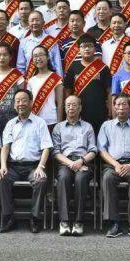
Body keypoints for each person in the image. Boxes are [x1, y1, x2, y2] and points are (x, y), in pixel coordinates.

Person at [0, 90, 53, 233]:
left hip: (33, 166)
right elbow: (5, 147)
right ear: (14, 105)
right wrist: (3, 166)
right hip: (13, 166)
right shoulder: (10, 124)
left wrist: (41, 166)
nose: (20, 104)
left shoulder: (40, 123)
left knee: (41, 180)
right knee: (2, 177)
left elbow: (46, 147)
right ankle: (9, 217)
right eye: (17, 101)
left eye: (24, 100)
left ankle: (34, 218)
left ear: (31, 103)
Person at [98, 94, 130, 238]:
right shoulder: (106, 126)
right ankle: (113, 223)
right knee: (107, 178)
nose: (121, 107)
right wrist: (115, 164)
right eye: (118, 104)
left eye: (124, 104)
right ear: (114, 107)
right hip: (112, 164)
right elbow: (102, 150)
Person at [52, 95, 97, 237]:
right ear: (64, 108)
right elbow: (56, 152)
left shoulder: (87, 127)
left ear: (80, 108)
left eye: (74, 105)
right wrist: (71, 163)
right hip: (65, 163)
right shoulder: (58, 127)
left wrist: (81, 161)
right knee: (63, 177)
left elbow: (93, 150)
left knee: (80, 178)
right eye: (68, 105)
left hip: (84, 163)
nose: (71, 108)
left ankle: (79, 221)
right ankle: (64, 221)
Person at [63, 34, 111, 135]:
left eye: (90, 46)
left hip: (99, 113)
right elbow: (67, 91)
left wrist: (110, 112)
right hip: (79, 113)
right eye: (83, 46)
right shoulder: (73, 67)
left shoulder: (103, 68)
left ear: (95, 48)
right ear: (79, 49)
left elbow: (109, 91)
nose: (87, 49)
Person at [0, 42, 26, 133]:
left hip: (13, 117)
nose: (2, 58)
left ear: (10, 57)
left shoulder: (17, 75)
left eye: (5, 55)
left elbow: (23, 98)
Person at [17, 10, 63, 78]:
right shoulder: (23, 42)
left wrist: (59, 80)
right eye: (32, 20)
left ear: (43, 22)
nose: (34, 23)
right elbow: (20, 66)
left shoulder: (52, 41)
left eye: (37, 20)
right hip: (30, 80)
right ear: (28, 23)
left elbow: (57, 64)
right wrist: (23, 81)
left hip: (49, 80)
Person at [27, 45, 64, 128]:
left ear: (47, 57)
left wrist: (59, 125)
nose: (38, 58)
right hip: (35, 123)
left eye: (41, 55)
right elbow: (29, 104)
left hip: (52, 121)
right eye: (35, 56)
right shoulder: (31, 81)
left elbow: (60, 103)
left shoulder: (56, 79)